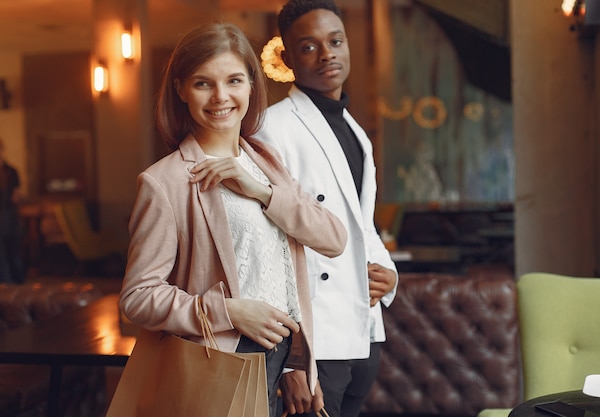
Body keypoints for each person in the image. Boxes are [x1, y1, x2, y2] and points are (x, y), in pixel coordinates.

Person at [119, 22, 347, 417]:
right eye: (203, 83)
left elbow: (333, 239)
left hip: (278, 361)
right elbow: (137, 298)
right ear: (180, 90)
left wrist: (262, 192)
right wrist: (227, 312)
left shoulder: (267, 164)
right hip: (218, 361)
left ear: (252, 86)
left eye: (234, 80)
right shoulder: (164, 183)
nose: (221, 96)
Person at [192, 1, 399, 415]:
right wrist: (291, 364)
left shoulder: (357, 131)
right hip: (316, 340)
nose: (327, 54)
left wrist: (388, 274)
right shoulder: (272, 126)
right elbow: (265, 246)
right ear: (286, 59)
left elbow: (362, 225)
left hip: (364, 327)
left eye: (335, 41)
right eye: (309, 47)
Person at [0, 137, 24, 283]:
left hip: (9, 217)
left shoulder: (11, 172)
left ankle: (18, 286)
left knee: (13, 254)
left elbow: (16, 195)